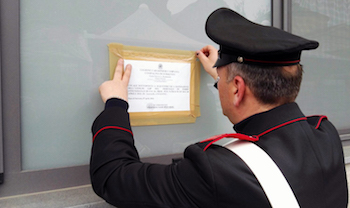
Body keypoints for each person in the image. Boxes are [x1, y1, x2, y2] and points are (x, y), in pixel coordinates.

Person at [90, 8, 348, 208]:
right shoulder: (325, 134)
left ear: (237, 89)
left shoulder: (217, 171)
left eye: (225, 81)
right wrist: (222, 77)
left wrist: (116, 104)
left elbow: (113, 177)